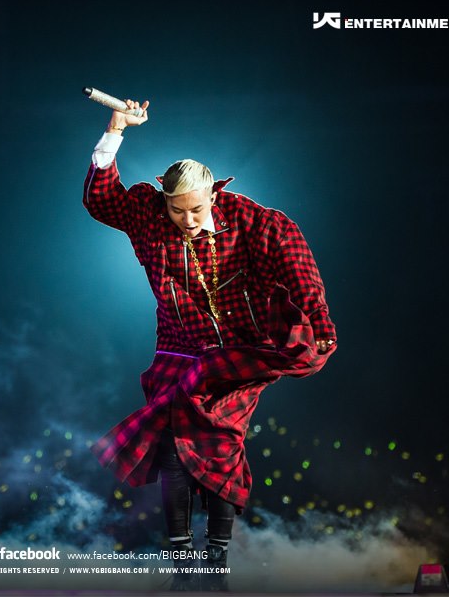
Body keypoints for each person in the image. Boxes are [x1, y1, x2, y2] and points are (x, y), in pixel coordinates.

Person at [85, 99, 336, 590]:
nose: (188, 219)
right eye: (177, 210)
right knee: (172, 447)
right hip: (178, 350)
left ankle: (216, 565)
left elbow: (301, 275)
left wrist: (317, 329)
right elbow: (102, 200)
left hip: (240, 355)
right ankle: (183, 568)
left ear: (214, 196)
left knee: (219, 446)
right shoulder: (149, 215)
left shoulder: (255, 223)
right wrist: (115, 129)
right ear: (164, 200)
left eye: (197, 210)